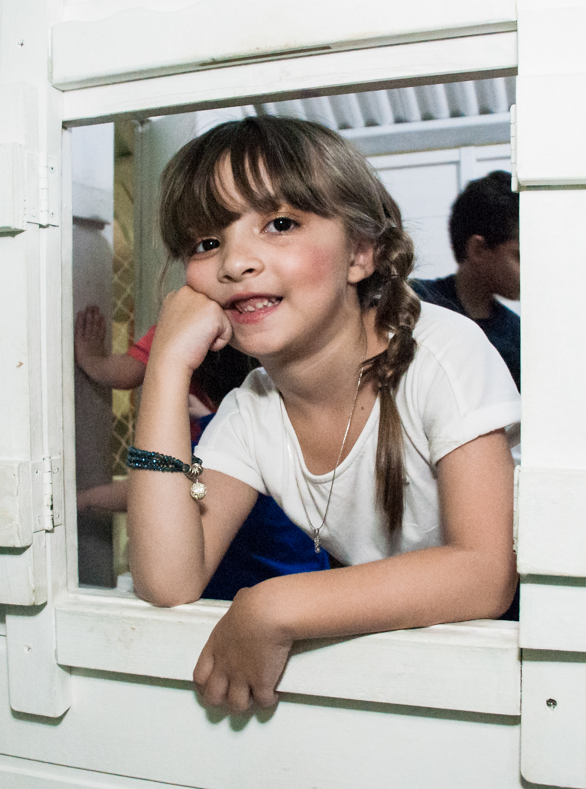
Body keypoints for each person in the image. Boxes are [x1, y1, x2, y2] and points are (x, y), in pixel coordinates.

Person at [126, 116, 520, 713]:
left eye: (280, 224)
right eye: (207, 242)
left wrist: (273, 604)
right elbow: (168, 579)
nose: (236, 261)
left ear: (360, 254)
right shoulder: (251, 410)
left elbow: (485, 573)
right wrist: (165, 368)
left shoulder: (445, 351)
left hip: (518, 659)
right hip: (401, 663)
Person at [73, 306, 328, 599]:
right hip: (289, 577)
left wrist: (96, 362)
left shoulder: (230, 429)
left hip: (256, 583)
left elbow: (157, 490)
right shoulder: (244, 422)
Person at [411, 170, 521, 389]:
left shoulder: (515, 335)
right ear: (478, 249)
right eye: (519, 256)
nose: (530, 269)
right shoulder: (411, 305)